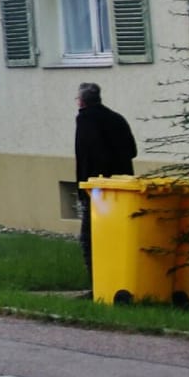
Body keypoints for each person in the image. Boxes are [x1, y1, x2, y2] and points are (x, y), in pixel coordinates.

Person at [74, 82, 137, 279]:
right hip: (123, 188)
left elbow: (86, 156)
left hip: (96, 189)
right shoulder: (117, 119)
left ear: (82, 102)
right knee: (118, 235)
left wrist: (84, 187)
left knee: (90, 238)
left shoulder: (85, 120)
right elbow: (132, 151)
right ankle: (119, 277)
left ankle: (98, 282)